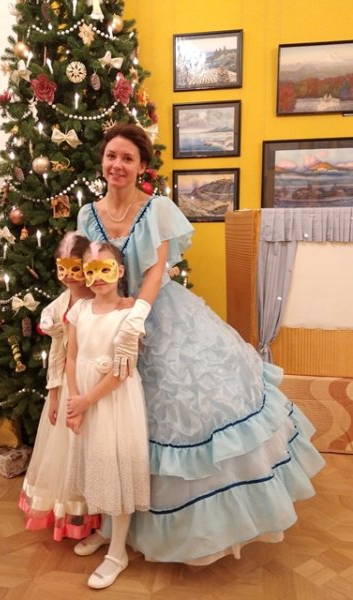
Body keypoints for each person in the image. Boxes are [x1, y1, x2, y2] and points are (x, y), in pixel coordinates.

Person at [75, 122, 325, 565]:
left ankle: (173, 531)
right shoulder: (87, 215)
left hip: (157, 316)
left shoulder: (157, 209)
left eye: (128, 158)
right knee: (113, 425)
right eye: (112, 155)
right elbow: (83, 271)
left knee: (177, 415)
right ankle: (112, 524)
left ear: (142, 166)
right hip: (106, 320)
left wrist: (137, 317)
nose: (117, 164)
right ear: (102, 160)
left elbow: (156, 271)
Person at [64, 241, 150, 589]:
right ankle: (106, 530)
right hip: (83, 397)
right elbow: (71, 356)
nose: (98, 276)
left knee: (116, 466)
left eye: (106, 268)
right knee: (96, 463)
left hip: (113, 400)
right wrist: (74, 401)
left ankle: (118, 553)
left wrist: (87, 400)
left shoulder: (129, 315)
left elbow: (122, 370)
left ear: (120, 271)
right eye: (91, 270)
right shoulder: (79, 310)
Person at [18, 232, 100, 541]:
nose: (67, 275)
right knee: (70, 447)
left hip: (97, 383)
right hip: (69, 383)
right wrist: (54, 396)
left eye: (74, 268)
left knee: (95, 447)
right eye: (61, 268)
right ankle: (74, 514)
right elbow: (57, 354)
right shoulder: (58, 307)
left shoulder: (100, 297)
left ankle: (100, 513)